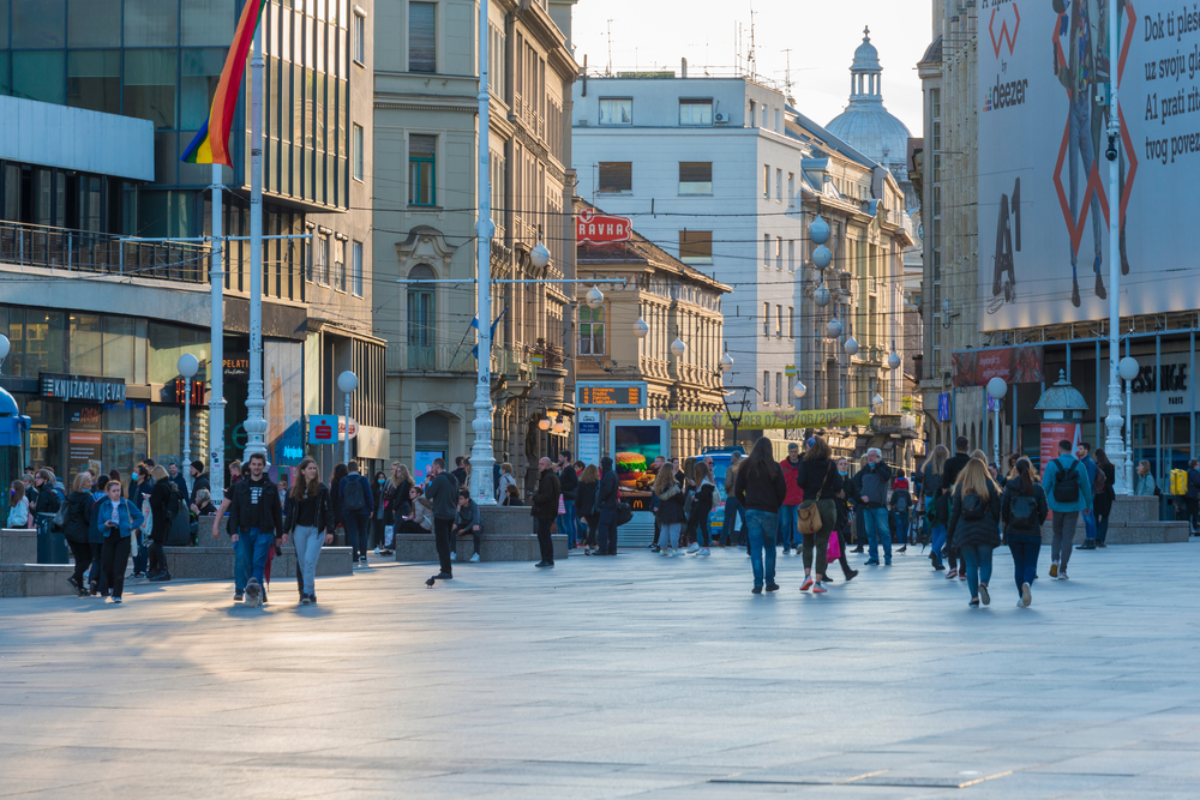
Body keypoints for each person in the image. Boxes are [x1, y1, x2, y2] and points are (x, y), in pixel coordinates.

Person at [226, 453, 286, 606]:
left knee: (258, 563)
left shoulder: (271, 487)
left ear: (263, 466)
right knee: (248, 564)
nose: (257, 467)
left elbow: (277, 513)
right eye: (254, 464)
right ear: (250, 465)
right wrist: (234, 532)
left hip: (264, 531)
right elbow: (235, 511)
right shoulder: (240, 487)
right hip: (245, 530)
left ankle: (252, 595)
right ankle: (261, 592)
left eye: (259, 464)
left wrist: (279, 535)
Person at [735, 438, 788, 593]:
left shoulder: (746, 466)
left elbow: (737, 490)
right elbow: (782, 491)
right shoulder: (775, 467)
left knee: (756, 548)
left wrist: (747, 505)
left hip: (752, 511)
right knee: (770, 547)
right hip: (771, 511)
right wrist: (775, 505)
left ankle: (758, 584)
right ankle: (770, 582)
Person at [947, 458, 1002, 608]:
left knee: (970, 565)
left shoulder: (960, 487)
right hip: (986, 528)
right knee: (986, 561)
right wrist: (993, 523)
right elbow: (997, 509)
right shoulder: (990, 485)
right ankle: (983, 584)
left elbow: (955, 512)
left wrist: (951, 532)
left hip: (965, 530)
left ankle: (974, 598)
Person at [795, 436, 843, 594]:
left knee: (807, 543)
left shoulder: (805, 463)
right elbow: (837, 485)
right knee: (822, 545)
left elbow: (800, 482)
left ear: (811, 447)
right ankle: (818, 582)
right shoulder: (830, 464)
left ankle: (806, 576)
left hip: (809, 505)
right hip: (827, 505)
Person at [1042, 438, 1093, 581]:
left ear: (1059, 449)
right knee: (1068, 538)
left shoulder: (1052, 464)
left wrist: (1041, 502)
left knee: (1057, 534)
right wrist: (1088, 505)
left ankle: (1054, 561)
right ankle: (1063, 570)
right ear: (1072, 450)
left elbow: (1045, 486)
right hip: (1073, 505)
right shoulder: (1079, 465)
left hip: (1056, 505)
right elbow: (1086, 487)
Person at [284, 457, 333, 605]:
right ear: (303, 471)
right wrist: (285, 531)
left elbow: (328, 511)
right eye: (310, 468)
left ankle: (306, 591)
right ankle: (311, 592)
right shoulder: (293, 491)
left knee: (309, 560)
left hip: (315, 530)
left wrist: (330, 530)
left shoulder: (322, 489)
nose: (313, 471)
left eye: (314, 468)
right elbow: (289, 513)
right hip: (299, 529)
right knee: (303, 563)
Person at [1002, 457, 1048, 608]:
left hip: (1014, 532)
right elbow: (1044, 511)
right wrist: (1037, 523)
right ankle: (1027, 583)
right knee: (1030, 563)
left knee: (1018, 564)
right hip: (1033, 532)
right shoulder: (1038, 488)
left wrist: (1008, 523)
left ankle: (1022, 597)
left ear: (1016, 471)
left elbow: (1004, 510)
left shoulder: (1010, 487)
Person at [94, 479, 145, 604]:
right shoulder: (104, 505)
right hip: (109, 535)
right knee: (106, 565)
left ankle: (117, 594)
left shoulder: (127, 503)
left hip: (123, 536)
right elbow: (99, 526)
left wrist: (131, 526)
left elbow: (140, 516)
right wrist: (106, 525)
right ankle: (111, 585)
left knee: (120, 566)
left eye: (118, 490)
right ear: (108, 492)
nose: (117, 493)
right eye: (114, 491)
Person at [852, 448, 893, 566]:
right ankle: (873, 557)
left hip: (880, 506)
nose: (870, 458)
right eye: (869, 456)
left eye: (873, 456)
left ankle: (887, 558)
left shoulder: (884, 469)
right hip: (867, 507)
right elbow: (855, 483)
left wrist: (877, 466)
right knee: (870, 533)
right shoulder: (864, 470)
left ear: (878, 458)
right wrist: (860, 496)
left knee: (884, 532)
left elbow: (886, 477)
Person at [940, 437, 973, 579]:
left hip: (953, 500)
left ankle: (952, 566)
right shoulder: (971, 463)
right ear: (967, 447)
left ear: (955, 448)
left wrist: (948, 498)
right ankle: (963, 571)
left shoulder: (949, 462)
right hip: (969, 501)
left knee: (950, 533)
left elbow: (944, 484)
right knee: (966, 536)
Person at [425, 459, 459, 582]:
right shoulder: (453, 479)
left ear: (438, 466)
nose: (432, 469)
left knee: (442, 544)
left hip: (441, 514)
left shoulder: (439, 479)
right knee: (446, 542)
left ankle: (446, 571)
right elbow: (456, 498)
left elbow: (428, 495)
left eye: (433, 467)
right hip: (451, 514)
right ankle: (446, 569)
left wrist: (428, 483)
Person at [63, 473, 96, 596]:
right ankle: (73, 579)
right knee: (87, 558)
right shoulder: (87, 497)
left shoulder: (71, 496)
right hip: (82, 533)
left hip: (70, 532)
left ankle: (80, 587)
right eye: (88, 482)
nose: (91, 484)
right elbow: (88, 517)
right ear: (82, 484)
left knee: (79, 560)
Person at [826, 457, 859, 583]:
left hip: (841, 517)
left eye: (845, 464)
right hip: (831, 515)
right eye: (841, 464)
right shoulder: (833, 481)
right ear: (836, 466)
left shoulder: (849, 482)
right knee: (839, 543)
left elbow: (854, 496)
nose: (844, 466)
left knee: (835, 545)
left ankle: (822, 573)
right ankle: (847, 571)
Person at [1080, 448, 1116, 549]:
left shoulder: (1094, 465)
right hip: (1107, 493)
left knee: (1094, 516)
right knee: (1105, 517)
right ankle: (1101, 540)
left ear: (1096, 456)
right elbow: (1112, 481)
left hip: (1097, 492)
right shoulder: (1110, 466)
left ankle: (1094, 538)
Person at [147, 465, 177, 582]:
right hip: (165, 519)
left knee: (158, 545)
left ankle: (163, 570)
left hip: (159, 520)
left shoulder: (159, 487)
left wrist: (149, 497)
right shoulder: (168, 485)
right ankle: (155, 570)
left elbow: (155, 503)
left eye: (153, 476)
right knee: (155, 545)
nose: (152, 478)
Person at [922, 445, 950, 571]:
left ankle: (938, 562)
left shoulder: (927, 467)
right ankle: (934, 551)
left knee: (935, 530)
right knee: (944, 530)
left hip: (929, 499)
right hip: (941, 499)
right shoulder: (946, 467)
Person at [530, 457, 561, 567]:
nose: (539, 466)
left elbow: (546, 496)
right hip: (548, 511)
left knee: (544, 536)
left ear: (548, 465)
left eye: (542, 464)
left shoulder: (548, 478)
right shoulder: (550, 477)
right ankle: (547, 559)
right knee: (543, 535)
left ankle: (547, 559)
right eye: (539, 464)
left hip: (545, 511)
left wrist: (534, 498)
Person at [652, 464, 686, 557]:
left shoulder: (659, 484)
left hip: (663, 510)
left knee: (664, 530)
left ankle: (662, 549)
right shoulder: (674, 484)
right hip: (674, 510)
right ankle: (675, 550)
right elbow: (681, 499)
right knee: (675, 530)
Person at [778, 442, 805, 554]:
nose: (794, 454)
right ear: (788, 452)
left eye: (795, 452)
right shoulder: (782, 465)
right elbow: (778, 482)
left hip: (798, 499)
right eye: (792, 452)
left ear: (798, 451)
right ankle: (786, 545)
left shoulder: (803, 465)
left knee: (797, 522)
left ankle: (799, 544)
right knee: (785, 524)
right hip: (784, 500)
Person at [685, 462, 716, 555]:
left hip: (702, 505)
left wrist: (696, 496)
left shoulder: (706, 481)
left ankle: (695, 544)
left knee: (691, 523)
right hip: (703, 505)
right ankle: (705, 548)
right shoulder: (705, 479)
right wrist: (693, 486)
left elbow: (705, 494)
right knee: (703, 526)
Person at [594, 457, 620, 555]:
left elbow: (607, 489)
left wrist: (601, 499)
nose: (600, 464)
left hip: (608, 505)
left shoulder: (608, 474)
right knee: (612, 528)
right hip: (613, 504)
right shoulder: (613, 473)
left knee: (603, 527)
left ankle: (603, 548)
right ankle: (612, 549)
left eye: (601, 463)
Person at [720, 452, 746, 547]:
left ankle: (722, 541)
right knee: (745, 519)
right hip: (741, 497)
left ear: (732, 458)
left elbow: (728, 483)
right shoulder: (743, 468)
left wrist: (727, 491)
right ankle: (741, 540)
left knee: (727, 519)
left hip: (731, 496)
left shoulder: (730, 468)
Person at [556, 450, 580, 549]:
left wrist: (562, 488)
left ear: (566, 458)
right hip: (563, 498)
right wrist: (557, 472)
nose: (559, 458)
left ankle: (568, 543)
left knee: (566, 521)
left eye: (561, 457)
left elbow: (574, 483)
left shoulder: (570, 469)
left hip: (567, 498)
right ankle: (563, 541)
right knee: (559, 521)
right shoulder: (564, 470)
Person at [452, 489, 483, 562]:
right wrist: (458, 511)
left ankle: (476, 554)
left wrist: (465, 530)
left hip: (474, 525)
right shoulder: (459, 506)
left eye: (461, 499)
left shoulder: (474, 505)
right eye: (458, 498)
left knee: (475, 527)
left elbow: (476, 520)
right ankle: (452, 552)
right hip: (465, 524)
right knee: (453, 527)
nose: (459, 500)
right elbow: (455, 521)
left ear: (467, 499)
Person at [576, 464, 600, 554]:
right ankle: (587, 546)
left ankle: (595, 546)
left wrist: (579, 509)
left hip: (585, 509)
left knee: (591, 528)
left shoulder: (581, 483)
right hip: (595, 509)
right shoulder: (597, 483)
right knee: (593, 528)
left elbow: (578, 498)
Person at [889, 475, 913, 553]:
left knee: (898, 527)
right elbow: (910, 503)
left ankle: (900, 542)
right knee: (905, 527)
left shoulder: (895, 492)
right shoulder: (906, 492)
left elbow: (892, 502)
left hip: (897, 512)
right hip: (905, 511)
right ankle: (905, 541)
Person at [1184, 459, 1200, 535]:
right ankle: (1195, 527)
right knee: (1195, 511)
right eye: (1198, 464)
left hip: (1186, 495)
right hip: (1192, 495)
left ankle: (1187, 527)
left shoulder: (1187, 471)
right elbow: (1197, 482)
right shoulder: (1194, 472)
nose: (1199, 465)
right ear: (1195, 465)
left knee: (1188, 512)